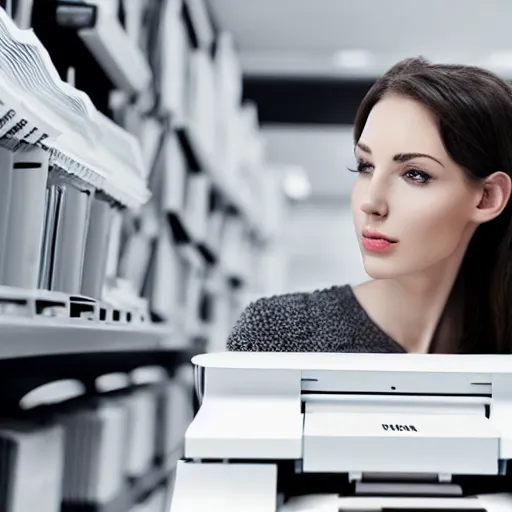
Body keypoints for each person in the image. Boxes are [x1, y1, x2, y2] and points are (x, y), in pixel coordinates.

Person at [227, 57, 512, 354]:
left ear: (487, 197)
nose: (371, 203)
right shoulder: (279, 334)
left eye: (415, 174)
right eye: (365, 166)